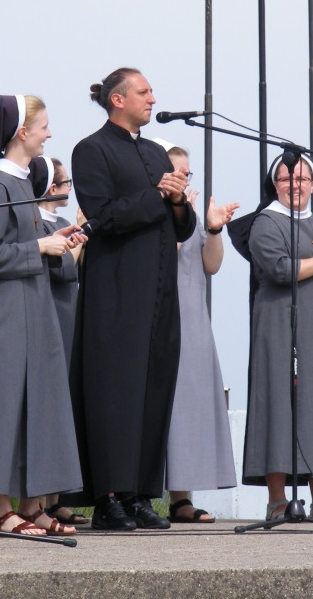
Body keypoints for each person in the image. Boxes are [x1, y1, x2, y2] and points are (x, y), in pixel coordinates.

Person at [69, 68, 195, 530]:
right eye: (143, 92)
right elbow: (103, 217)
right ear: (117, 100)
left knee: (153, 390)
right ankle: (107, 498)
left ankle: (141, 494)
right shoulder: (91, 149)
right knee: (114, 394)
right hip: (116, 293)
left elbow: (180, 226)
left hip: (160, 292)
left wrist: (179, 201)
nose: (152, 98)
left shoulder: (154, 151)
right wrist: (158, 194)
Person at [0, 94, 84, 536]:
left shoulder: (20, 182)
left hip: (33, 308)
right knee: (5, 409)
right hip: (7, 313)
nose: (49, 133)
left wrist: (54, 240)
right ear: (22, 133)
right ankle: (1, 508)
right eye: (44, 126)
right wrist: (38, 246)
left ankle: (31, 506)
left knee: (37, 406)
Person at [237, 154, 313, 522]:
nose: (296, 185)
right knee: (276, 405)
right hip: (278, 326)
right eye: (288, 179)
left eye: (303, 179)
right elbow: (280, 270)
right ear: (275, 184)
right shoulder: (266, 222)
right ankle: (277, 500)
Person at [156, 142, 238, 523]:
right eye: (180, 171)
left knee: (187, 406)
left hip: (192, 318)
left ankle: (181, 497)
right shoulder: (153, 212)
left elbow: (212, 264)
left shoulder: (190, 214)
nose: (187, 178)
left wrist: (214, 228)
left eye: (189, 173)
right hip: (157, 316)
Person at [35, 157, 90, 527]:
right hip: (52, 310)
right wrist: (80, 238)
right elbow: (64, 269)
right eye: (64, 183)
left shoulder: (56, 221)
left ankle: (57, 498)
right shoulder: (42, 222)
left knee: (67, 403)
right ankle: (41, 500)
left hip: (69, 311)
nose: (68, 189)